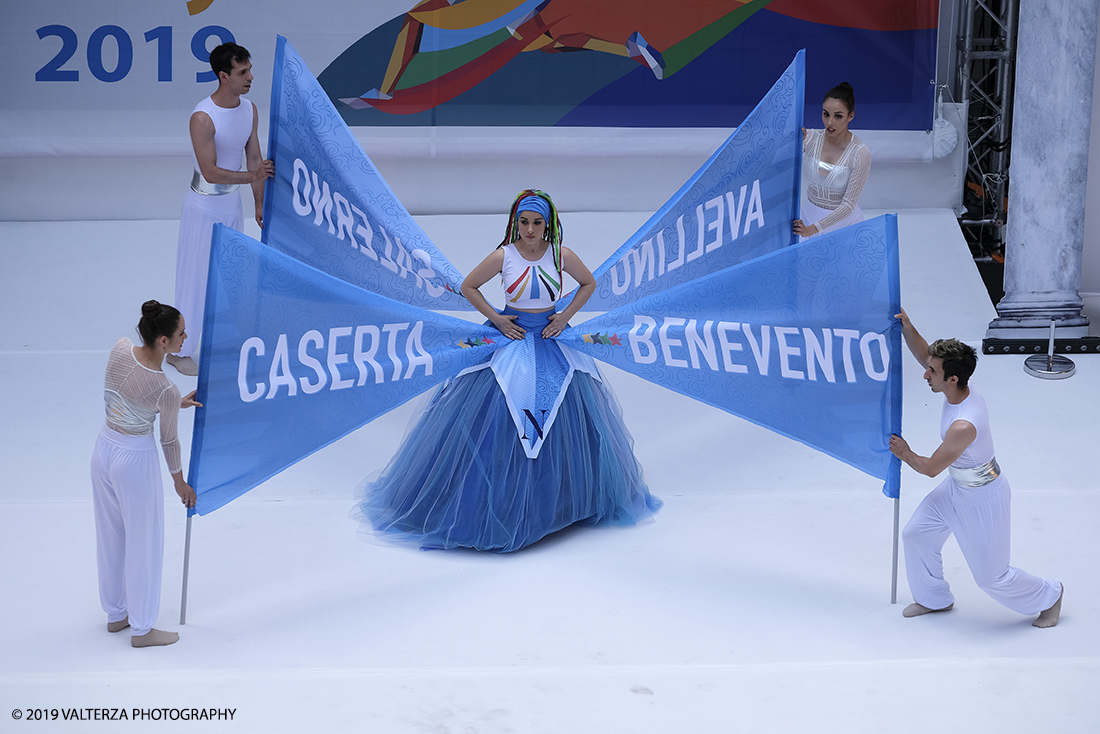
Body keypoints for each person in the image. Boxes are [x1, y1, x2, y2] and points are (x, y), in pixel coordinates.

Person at [357, 190, 661, 552]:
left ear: (547, 225)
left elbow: (589, 283)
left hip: (551, 341)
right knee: (498, 416)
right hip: (512, 341)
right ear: (515, 223)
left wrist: (564, 317)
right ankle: (490, 504)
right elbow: (468, 286)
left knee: (565, 418)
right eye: (524, 222)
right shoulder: (504, 256)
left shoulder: (560, 255)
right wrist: (497, 319)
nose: (530, 230)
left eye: (536, 223)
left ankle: (561, 502)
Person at [888, 309, 1062, 627]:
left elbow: (929, 469)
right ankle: (933, 599)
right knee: (916, 535)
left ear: (951, 379)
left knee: (991, 577)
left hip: (983, 500)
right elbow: (925, 353)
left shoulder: (964, 425)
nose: (925, 375)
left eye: (932, 372)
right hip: (957, 488)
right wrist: (907, 326)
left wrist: (904, 452)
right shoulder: (960, 384)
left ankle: (1050, 595)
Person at [91, 301, 202, 647]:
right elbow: (169, 441)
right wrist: (179, 482)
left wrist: (172, 403)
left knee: (110, 536)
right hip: (134, 460)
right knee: (144, 542)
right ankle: (141, 628)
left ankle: (116, 614)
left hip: (103, 450)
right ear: (164, 342)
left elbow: (125, 390)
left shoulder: (120, 347)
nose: (186, 338)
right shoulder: (165, 389)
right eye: (180, 334)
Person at [167, 42, 274, 376]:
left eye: (250, 70)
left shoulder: (250, 110)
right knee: (195, 277)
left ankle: (224, 341)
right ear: (223, 75)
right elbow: (210, 170)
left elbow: (254, 158)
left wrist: (258, 201)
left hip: (232, 205)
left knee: (230, 275)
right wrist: (253, 177)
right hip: (203, 207)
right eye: (243, 72)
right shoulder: (202, 117)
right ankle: (178, 349)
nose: (251, 77)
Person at [792, 82, 871, 239]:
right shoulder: (810, 139)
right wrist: (793, 140)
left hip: (843, 226)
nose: (829, 122)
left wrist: (812, 229)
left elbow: (848, 206)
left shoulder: (860, 153)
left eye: (838, 116)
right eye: (826, 114)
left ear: (851, 116)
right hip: (806, 220)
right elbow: (782, 163)